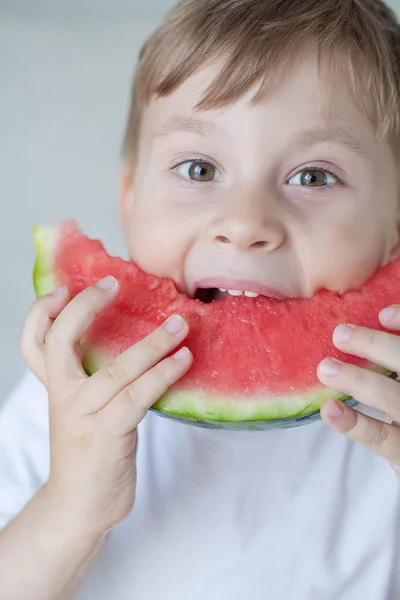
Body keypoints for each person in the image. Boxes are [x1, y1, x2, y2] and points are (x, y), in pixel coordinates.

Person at [1, 0, 400, 598]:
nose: (244, 223)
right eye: (198, 168)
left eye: (313, 176)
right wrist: (70, 506)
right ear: (130, 198)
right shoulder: (70, 396)